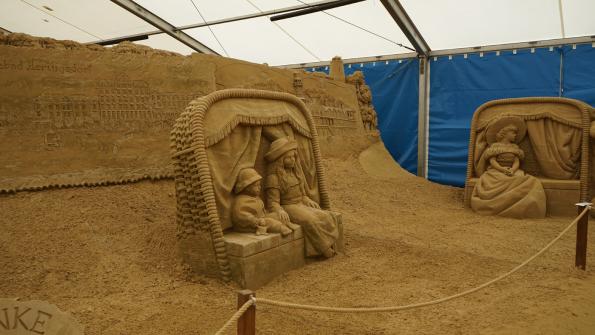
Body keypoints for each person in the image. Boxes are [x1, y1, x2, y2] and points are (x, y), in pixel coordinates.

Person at [264, 137, 339, 257]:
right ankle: (323, 249)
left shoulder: (295, 173)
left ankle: (331, 243)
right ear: (280, 159)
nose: (292, 160)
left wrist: (306, 199)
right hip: (288, 207)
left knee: (326, 216)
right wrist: (279, 210)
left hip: (300, 203)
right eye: (288, 157)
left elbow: (301, 193)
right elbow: (272, 202)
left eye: (294, 156)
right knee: (310, 220)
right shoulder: (273, 177)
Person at [471, 115, 546, 218]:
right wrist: (502, 169)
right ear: (505, 133)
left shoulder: (514, 147)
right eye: (513, 133)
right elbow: (492, 161)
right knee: (496, 180)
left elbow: (516, 161)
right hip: (496, 171)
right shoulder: (495, 146)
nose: (515, 135)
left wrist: (513, 169)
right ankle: (499, 205)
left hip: (513, 170)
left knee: (527, 180)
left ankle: (524, 207)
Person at [231, 168, 295, 236]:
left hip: (261, 219)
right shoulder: (240, 201)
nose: (259, 188)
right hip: (248, 225)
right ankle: (282, 229)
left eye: (259, 185)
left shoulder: (255, 198)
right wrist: (255, 221)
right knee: (270, 222)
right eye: (256, 185)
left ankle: (288, 224)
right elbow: (242, 216)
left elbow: (261, 210)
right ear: (247, 187)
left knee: (277, 216)